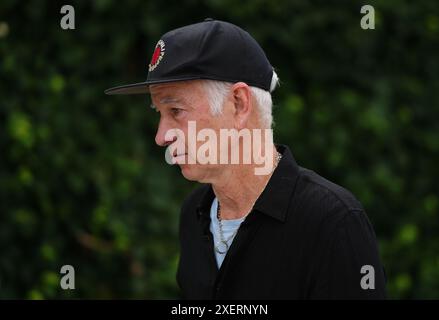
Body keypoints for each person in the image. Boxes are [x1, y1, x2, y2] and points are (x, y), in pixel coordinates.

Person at [105, 19, 386, 299]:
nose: (161, 136)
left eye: (176, 111)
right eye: (160, 114)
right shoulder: (194, 214)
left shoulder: (333, 223)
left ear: (239, 104)